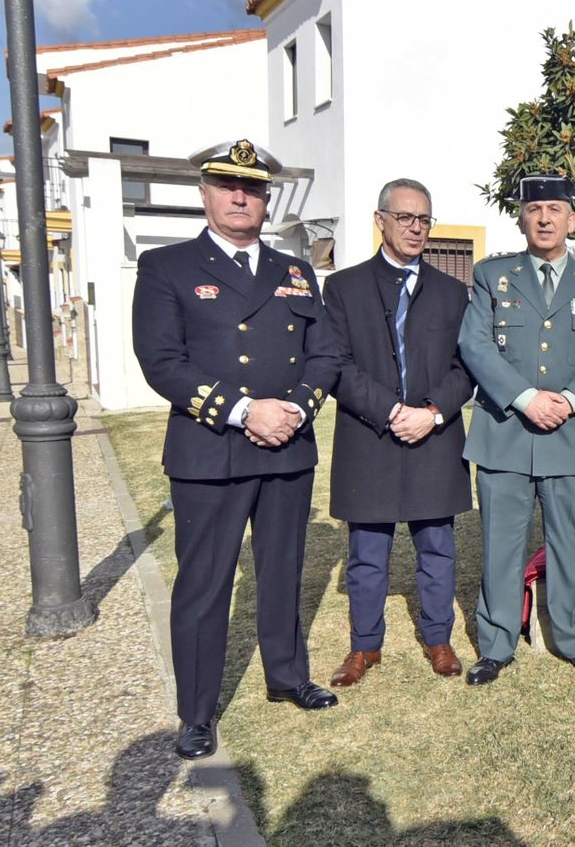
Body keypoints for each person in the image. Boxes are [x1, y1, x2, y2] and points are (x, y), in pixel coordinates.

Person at [131, 139, 338, 761]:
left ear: (267, 198)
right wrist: (247, 410)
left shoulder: (294, 271)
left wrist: (298, 407)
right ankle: (196, 712)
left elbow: (325, 351)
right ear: (205, 194)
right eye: (227, 186)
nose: (240, 196)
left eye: (251, 188)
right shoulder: (167, 266)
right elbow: (161, 361)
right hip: (210, 452)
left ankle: (286, 675)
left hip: (286, 449)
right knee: (204, 583)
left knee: (282, 570)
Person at [456, 174, 575, 684]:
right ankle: (496, 643)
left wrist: (571, 400)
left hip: (572, 435)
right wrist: (527, 399)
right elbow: (475, 345)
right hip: (506, 432)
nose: (546, 218)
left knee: (570, 546)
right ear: (523, 218)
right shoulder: (494, 276)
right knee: (500, 544)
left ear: (572, 220)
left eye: (556, 209)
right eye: (536, 210)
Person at [321, 178, 474, 687]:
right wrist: (390, 411)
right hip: (371, 436)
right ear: (380, 219)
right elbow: (336, 365)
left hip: (434, 435)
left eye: (424, 219)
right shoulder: (342, 288)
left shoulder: (454, 292)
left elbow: (465, 367)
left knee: (437, 547)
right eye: (405, 217)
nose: (415, 228)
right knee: (367, 552)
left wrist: (431, 412)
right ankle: (365, 647)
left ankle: (438, 638)